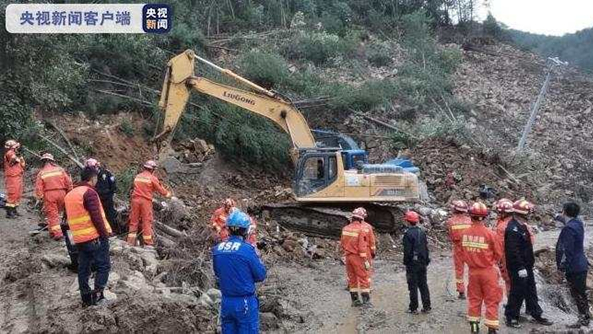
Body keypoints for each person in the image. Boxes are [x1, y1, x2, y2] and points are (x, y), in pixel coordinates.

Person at [64, 167, 112, 307]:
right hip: (93, 237)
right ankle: (98, 297)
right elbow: (96, 217)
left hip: (79, 239)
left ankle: (86, 298)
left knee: (84, 268)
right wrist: (104, 235)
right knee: (103, 266)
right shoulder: (89, 192)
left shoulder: (70, 194)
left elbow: (67, 217)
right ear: (92, 178)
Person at [212, 210, 266, 333]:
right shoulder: (247, 250)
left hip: (226, 302)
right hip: (244, 303)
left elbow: (217, 273)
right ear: (245, 230)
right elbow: (261, 275)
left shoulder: (217, 249)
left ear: (228, 229)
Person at [504, 199, 553, 328]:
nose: (530, 216)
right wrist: (520, 267)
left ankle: (535, 313)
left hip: (526, 266)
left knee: (531, 290)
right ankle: (511, 317)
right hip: (518, 268)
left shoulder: (522, 226)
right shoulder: (512, 229)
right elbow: (512, 251)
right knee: (517, 292)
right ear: (523, 214)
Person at [461, 202, 503, 334]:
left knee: (474, 299)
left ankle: (474, 328)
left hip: (473, 272)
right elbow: (498, 254)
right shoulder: (490, 234)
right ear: (484, 217)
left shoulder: (465, 233)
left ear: (470, 216)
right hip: (488, 271)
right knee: (492, 300)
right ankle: (491, 329)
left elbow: (463, 253)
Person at [555, 202, 590, 328]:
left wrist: (561, 269)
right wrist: (557, 216)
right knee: (581, 293)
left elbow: (566, 251)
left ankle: (584, 319)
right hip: (581, 264)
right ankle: (585, 318)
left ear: (564, 211)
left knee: (577, 294)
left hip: (574, 267)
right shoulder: (578, 223)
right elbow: (567, 220)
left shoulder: (568, 229)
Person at [127, 160, 172, 247]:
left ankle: (130, 242)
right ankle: (148, 243)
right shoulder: (152, 178)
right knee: (146, 221)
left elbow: (136, 187)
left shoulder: (138, 176)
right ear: (152, 169)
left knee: (133, 221)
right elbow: (160, 189)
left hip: (135, 200)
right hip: (145, 201)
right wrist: (169, 195)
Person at [35, 153, 73, 240]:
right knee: (60, 212)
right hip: (62, 193)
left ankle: (57, 234)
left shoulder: (41, 173)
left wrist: (40, 197)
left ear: (43, 162)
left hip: (49, 195)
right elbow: (69, 182)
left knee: (52, 214)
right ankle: (52, 231)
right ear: (52, 161)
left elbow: (38, 187)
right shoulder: (60, 170)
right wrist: (69, 193)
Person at [340, 207, 372, 306]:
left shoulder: (345, 228)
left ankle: (355, 301)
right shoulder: (361, 230)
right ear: (361, 219)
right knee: (364, 278)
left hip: (348, 257)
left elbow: (342, 243)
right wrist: (365, 260)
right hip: (358, 257)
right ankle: (366, 302)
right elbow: (362, 247)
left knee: (352, 279)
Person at [402, 210, 431, 314]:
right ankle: (427, 307)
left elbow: (407, 252)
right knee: (423, 285)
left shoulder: (408, 234)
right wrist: (426, 261)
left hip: (412, 264)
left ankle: (413, 308)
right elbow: (426, 248)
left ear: (408, 222)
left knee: (413, 286)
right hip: (422, 262)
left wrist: (406, 262)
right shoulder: (422, 232)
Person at [85, 158, 120, 234]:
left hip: (107, 198)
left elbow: (113, 184)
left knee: (110, 214)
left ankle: (112, 230)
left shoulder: (106, 173)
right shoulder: (89, 176)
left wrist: (111, 194)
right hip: (96, 198)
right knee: (98, 215)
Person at [447, 199, 472, 299]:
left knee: (459, 270)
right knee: (472, 269)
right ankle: (474, 290)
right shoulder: (470, 221)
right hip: (469, 247)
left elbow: (451, 236)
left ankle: (461, 292)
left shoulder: (450, 221)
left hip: (458, 248)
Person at [493, 198, 514, 295]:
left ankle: (512, 303)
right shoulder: (519, 223)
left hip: (506, 257)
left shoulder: (501, 226)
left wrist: (497, 260)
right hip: (518, 256)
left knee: (508, 280)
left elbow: (499, 246)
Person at [3, 140, 25, 218]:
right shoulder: (10, 153)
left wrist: (20, 157)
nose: (17, 148)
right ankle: (9, 213)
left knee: (18, 194)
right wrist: (18, 155)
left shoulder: (15, 154)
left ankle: (14, 210)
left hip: (18, 176)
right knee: (12, 194)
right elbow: (13, 159)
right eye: (16, 147)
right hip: (12, 177)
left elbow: (23, 165)